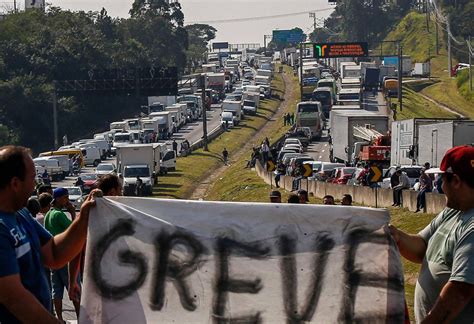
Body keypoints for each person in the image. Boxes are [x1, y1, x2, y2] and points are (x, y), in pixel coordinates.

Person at [0, 146, 96, 323]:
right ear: (15, 183)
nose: (35, 185)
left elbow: (54, 254)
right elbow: (14, 298)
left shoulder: (21, 214)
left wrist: (84, 219)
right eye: (32, 178)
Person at [389, 146, 474, 323]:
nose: (441, 186)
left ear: (456, 181)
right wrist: (396, 236)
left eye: (442, 179)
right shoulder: (454, 211)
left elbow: (459, 292)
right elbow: (422, 246)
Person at [44, 188, 81, 321]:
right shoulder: (59, 214)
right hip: (65, 259)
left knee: (57, 291)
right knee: (75, 289)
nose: (67, 200)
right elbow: (75, 231)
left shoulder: (49, 213)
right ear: (58, 198)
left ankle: (59, 318)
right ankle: (80, 318)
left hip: (54, 259)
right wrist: (72, 212)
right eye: (65, 197)